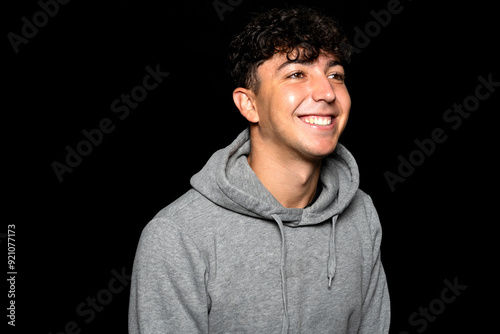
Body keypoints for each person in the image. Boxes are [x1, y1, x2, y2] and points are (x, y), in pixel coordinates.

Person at [129, 6, 390, 333]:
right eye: (297, 74)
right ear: (249, 104)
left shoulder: (361, 216)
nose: (327, 93)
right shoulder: (177, 236)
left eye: (335, 74)